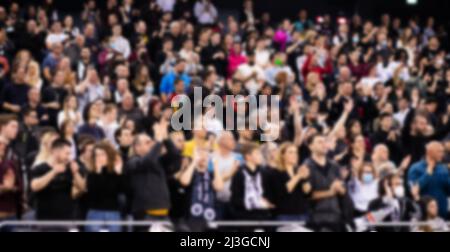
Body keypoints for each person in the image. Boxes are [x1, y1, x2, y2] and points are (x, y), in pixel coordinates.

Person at [125, 121, 171, 224]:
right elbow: (147, 161)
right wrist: (158, 141)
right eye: (147, 142)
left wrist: (166, 138)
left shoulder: (158, 160)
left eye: (150, 141)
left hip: (163, 210)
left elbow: (174, 155)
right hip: (145, 213)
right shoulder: (133, 161)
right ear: (137, 147)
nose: (151, 144)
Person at [30, 139, 85, 222]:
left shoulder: (69, 168)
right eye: (66, 153)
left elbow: (83, 188)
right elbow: (34, 186)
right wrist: (53, 172)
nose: (68, 157)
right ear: (56, 152)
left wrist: (76, 173)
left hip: (67, 217)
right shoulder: (40, 168)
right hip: (45, 219)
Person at [305, 134, 347, 232]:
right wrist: (331, 192)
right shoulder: (306, 167)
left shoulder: (335, 166)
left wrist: (340, 189)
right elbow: (307, 195)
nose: (324, 145)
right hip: (316, 218)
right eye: (320, 142)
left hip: (336, 217)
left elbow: (344, 192)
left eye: (325, 142)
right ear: (311, 146)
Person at [265, 143, 311, 221]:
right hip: (284, 214)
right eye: (290, 152)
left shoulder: (298, 171)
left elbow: (307, 192)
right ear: (282, 155)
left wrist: (305, 178)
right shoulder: (275, 172)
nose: (294, 155)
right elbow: (284, 191)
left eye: (296, 152)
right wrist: (298, 176)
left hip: (301, 213)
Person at [85, 141, 124, 232]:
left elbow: (122, 190)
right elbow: (92, 192)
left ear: (108, 155)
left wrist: (119, 174)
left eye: (102, 154)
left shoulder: (115, 172)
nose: (99, 158)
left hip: (113, 212)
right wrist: (98, 172)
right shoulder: (92, 174)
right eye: (97, 155)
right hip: (95, 212)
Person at [178, 148, 224, 223]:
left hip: (209, 214)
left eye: (206, 156)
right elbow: (184, 181)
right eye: (200, 155)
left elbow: (219, 187)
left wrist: (216, 165)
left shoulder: (211, 174)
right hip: (191, 216)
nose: (203, 158)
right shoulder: (191, 173)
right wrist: (194, 162)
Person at [230, 143, 272, 221]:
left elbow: (268, 195)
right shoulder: (239, 174)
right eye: (257, 154)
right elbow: (235, 199)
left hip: (263, 216)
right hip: (245, 217)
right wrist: (256, 203)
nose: (260, 156)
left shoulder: (264, 173)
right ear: (248, 156)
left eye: (260, 154)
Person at [408, 141, 450, 218]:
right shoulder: (415, 168)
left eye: (442, 151)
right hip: (424, 215)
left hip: (443, 213)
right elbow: (413, 190)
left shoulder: (443, 169)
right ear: (429, 152)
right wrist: (428, 173)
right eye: (439, 151)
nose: (442, 154)